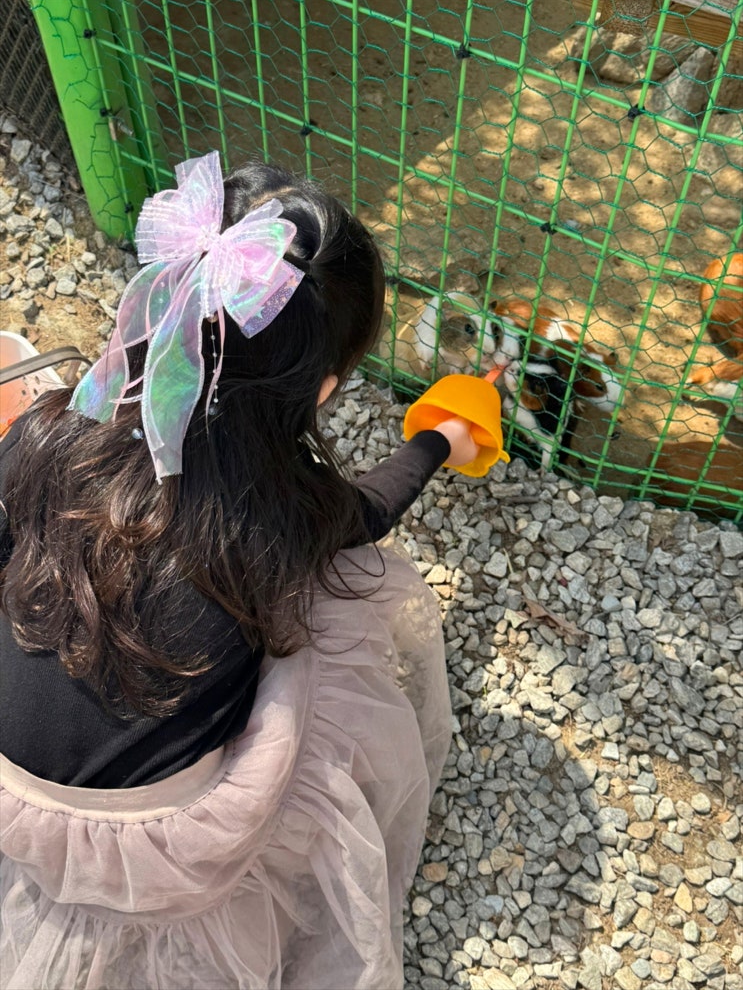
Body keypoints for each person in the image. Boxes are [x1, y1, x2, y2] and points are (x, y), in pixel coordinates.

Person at [0, 151, 482, 990]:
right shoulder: (284, 517)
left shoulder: (46, 432)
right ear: (321, 389)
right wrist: (438, 440)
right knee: (332, 609)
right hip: (164, 837)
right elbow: (368, 512)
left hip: (9, 784)